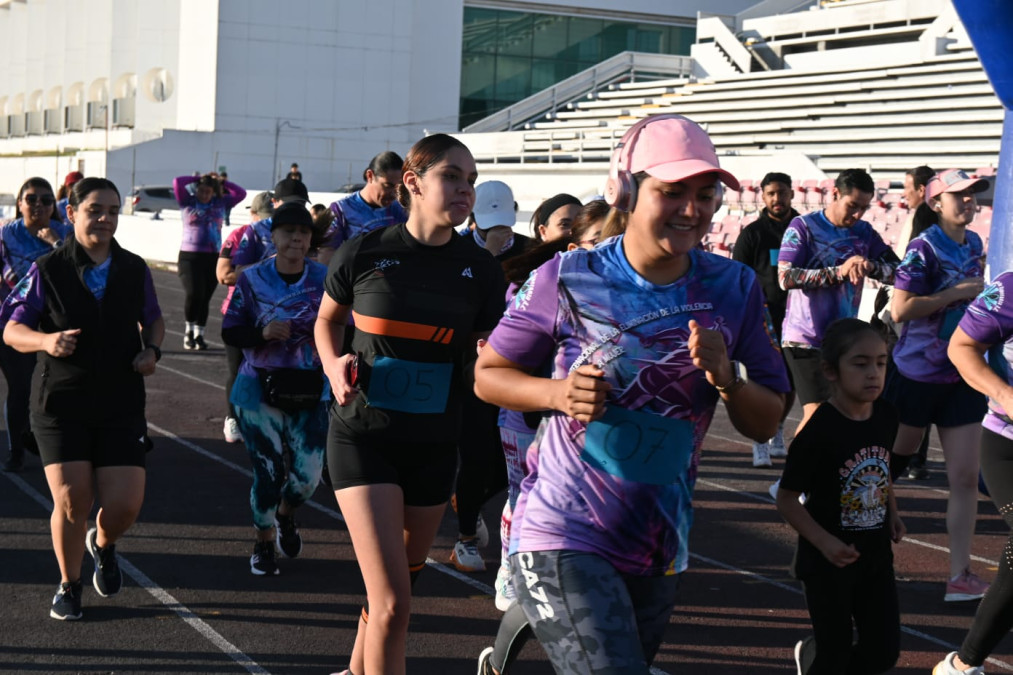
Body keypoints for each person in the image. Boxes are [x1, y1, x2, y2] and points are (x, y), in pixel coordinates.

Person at [474, 114, 788, 674]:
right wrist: (558, 393)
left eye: (706, 193)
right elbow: (487, 375)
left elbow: (766, 423)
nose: (693, 210)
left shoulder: (732, 287)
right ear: (624, 188)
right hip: (560, 528)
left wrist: (727, 379)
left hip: (658, 538)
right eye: (672, 192)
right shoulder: (567, 276)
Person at [314, 133, 504, 675]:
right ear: (413, 183)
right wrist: (332, 365)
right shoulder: (366, 252)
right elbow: (327, 321)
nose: (465, 189)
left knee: (393, 592)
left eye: (471, 180)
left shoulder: (481, 269)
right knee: (396, 602)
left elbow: (487, 352)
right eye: (452, 177)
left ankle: (355, 670)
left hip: (436, 445)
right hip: (362, 436)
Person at [0, 177, 164, 620]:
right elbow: (12, 329)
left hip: (120, 401)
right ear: (70, 214)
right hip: (61, 403)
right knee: (73, 501)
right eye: (96, 209)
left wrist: (152, 349)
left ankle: (104, 544)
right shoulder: (47, 268)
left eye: (113, 210)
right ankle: (69, 584)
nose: (106, 218)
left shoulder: (134, 268)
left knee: (126, 504)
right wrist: (45, 341)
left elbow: (154, 320)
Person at [776, 318, 903, 675]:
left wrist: (892, 509)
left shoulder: (887, 415)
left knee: (883, 652)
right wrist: (825, 542)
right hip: (826, 563)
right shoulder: (818, 431)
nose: (874, 373)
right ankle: (817, 655)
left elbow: (881, 466)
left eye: (880, 362)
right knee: (834, 657)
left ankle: (815, 654)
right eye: (860, 364)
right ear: (831, 371)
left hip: (875, 555)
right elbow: (787, 498)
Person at [885, 168, 989, 602]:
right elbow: (900, 309)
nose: (968, 202)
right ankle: (855, 546)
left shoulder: (976, 244)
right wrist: (954, 294)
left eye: (971, 195)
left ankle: (959, 574)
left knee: (964, 477)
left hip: (961, 374)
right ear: (935, 203)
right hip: (916, 375)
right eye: (958, 196)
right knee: (884, 470)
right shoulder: (922, 249)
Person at [222, 201, 329, 576]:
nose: (296, 239)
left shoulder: (325, 278)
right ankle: (263, 539)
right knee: (268, 473)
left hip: (310, 386)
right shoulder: (251, 279)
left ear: (311, 239)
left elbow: (341, 327)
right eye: (288, 232)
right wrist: (262, 333)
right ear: (274, 236)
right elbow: (229, 331)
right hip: (258, 388)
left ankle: (285, 514)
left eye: (303, 232)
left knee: (307, 477)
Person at [778, 169, 899, 436]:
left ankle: (822, 475)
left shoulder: (864, 232)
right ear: (835, 194)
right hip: (804, 337)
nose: (857, 215)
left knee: (841, 413)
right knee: (818, 413)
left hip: (842, 339)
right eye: (852, 206)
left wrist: (870, 267)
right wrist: (839, 272)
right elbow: (785, 277)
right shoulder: (804, 227)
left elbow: (899, 271)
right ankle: (792, 477)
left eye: (864, 208)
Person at [936, 270, 1013, 674]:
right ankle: (963, 665)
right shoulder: (1012, 287)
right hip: (1008, 442)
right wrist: (1005, 394)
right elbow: (961, 346)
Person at [0, 178, 72, 471]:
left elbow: (77, 269)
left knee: (35, 390)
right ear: (19, 204)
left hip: (41, 325)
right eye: (31, 199)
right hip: (8, 321)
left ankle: (26, 445)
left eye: (46, 200)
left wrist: (54, 242)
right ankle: (18, 446)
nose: (39, 205)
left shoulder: (65, 233)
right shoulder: (6, 234)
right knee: (20, 389)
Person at [733, 171, 801, 466]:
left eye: (782, 193)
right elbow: (738, 276)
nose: (777, 199)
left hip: (799, 318)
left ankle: (776, 429)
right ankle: (761, 438)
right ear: (763, 196)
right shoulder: (752, 233)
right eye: (771, 193)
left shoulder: (803, 230)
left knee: (791, 379)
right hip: (764, 318)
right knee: (766, 378)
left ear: (791, 194)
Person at [217, 191, 276, 443]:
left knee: (268, 370)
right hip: (240, 310)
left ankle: (261, 420)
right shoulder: (239, 235)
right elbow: (223, 275)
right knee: (238, 369)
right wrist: (264, 267)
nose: (266, 223)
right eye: (262, 218)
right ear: (252, 215)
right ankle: (232, 418)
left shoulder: (285, 234)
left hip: (273, 313)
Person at [173, 172, 246, 350]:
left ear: (213, 192)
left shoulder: (220, 203)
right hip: (189, 256)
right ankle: (189, 330)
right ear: (196, 190)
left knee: (205, 297)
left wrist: (223, 182)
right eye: (202, 191)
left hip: (212, 256)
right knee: (194, 293)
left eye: (208, 191)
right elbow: (177, 182)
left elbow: (240, 193)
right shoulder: (187, 202)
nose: (204, 195)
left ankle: (199, 335)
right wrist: (196, 178)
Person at [319, 152, 408, 265]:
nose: (393, 193)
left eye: (397, 187)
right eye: (387, 186)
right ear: (370, 176)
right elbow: (327, 255)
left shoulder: (400, 210)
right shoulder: (341, 210)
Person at [466, 180, 533, 260]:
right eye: (488, 228)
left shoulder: (530, 248)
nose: (496, 233)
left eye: (503, 223)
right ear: (473, 218)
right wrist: (489, 252)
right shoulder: (458, 249)